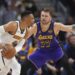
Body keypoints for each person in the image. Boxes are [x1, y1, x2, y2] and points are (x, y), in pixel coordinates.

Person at [20, 8, 75, 75]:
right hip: (42, 51)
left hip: (55, 51)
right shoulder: (36, 27)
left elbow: (69, 28)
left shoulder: (55, 26)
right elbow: (25, 36)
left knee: (66, 65)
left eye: (46, 16)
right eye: (42, 15)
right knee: (24, 66)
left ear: (50, 17)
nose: (43, 18)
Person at [0, 10, 34, 75]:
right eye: (32, 18)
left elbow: (20, 45)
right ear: (25, 19)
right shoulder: (13, 25)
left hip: (8, 50)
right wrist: (1, 44)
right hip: (1, 48)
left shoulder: (27, 32)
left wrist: (14, 50)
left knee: (15, 68)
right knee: (6, 68)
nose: (33, 20)